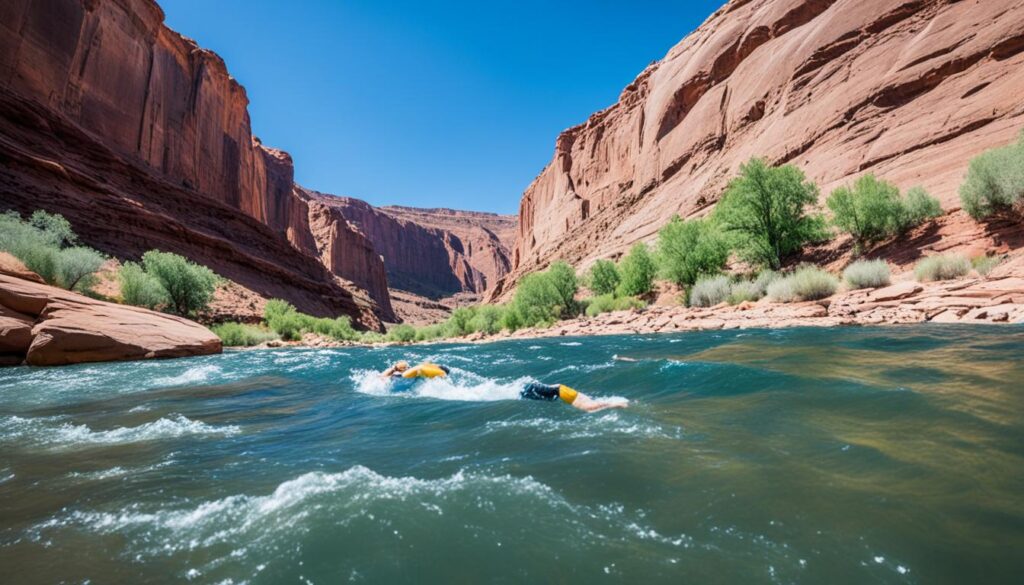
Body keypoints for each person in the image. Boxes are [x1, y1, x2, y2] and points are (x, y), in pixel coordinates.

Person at [520, 382, 628, 413]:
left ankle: (527, 388)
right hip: (562, 390)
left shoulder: (589, 407)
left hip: (562, 391)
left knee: (526, 393)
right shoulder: (589, 406)